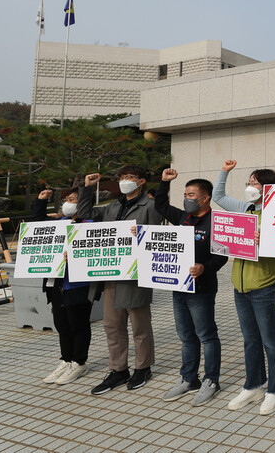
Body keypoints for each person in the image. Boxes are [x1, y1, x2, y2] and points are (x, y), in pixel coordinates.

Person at [212, 160, 275, 415]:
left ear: (268, 186)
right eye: (249, 182)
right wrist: (225, 171)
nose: (249, 187)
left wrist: (266, 240)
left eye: (254, 182)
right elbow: (219, 196)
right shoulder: (245, 208)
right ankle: (253, 384)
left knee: (271, 339)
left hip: (266, 285)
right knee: (250, 340)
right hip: (241, 286)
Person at [77, 165, 163, 395]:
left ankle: (143, 367)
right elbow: (84, 214)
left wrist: (142, 233)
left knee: (139, 326)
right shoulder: (112, 207)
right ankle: (118, 369)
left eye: (130, 177)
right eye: (122, 177)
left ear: (141, 181)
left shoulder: (151, 206)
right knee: (112, 326)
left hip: (136, 275)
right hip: (112, 274)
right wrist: (87, 188)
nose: (125, 181)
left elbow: (157, 235)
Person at [154, 170, 228, 405]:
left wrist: (204, 268)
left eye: (191, 194)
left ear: (205, 198)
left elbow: (222, 256)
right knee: (186, 336)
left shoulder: (217, 221)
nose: (187, 198)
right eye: (185, 194)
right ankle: (188, 378)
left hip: (202, 289)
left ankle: (211, 380)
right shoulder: (184, 217)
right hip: (180, 287)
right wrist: (165, 183)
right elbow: (161, 205)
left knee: (206, 335)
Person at [33, 188, 92, 386]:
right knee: (62, 325)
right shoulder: (59, 223)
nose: (67, 203)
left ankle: (79, 362)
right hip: (56, 283)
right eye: (66, 200)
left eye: (72, 200)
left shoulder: (88, 224)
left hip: (78, 284)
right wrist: (41, 201)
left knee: (78, 324)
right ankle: (65, 359)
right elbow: (38, 224)